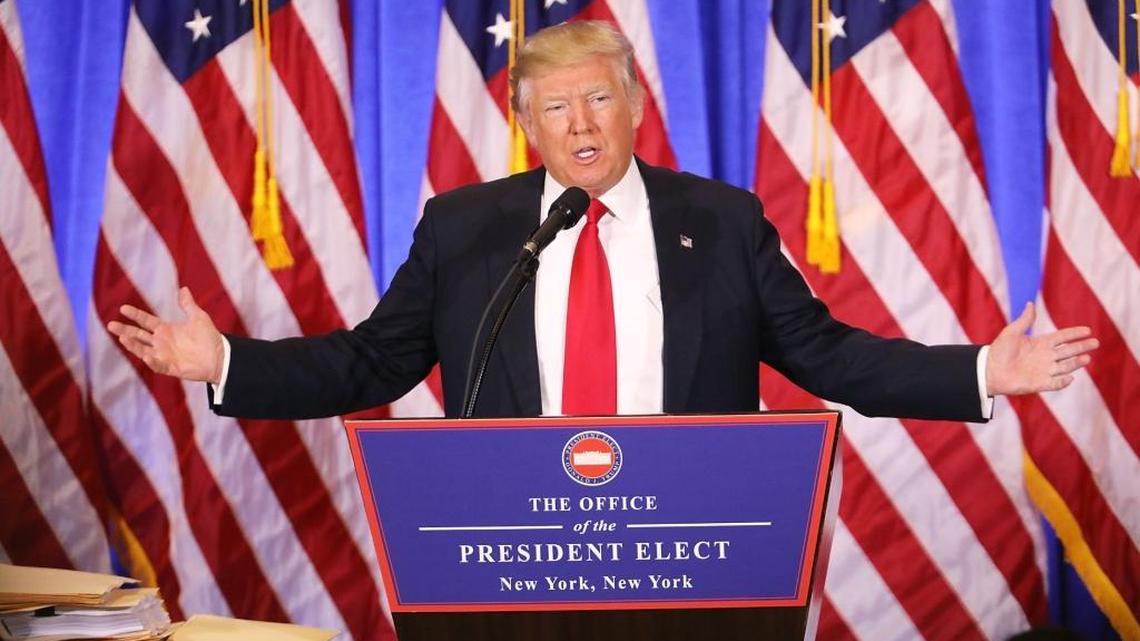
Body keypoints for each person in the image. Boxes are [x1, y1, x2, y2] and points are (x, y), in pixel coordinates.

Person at [107, 21, 1097, 421]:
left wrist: (982, 370)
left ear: (634, 106)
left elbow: (828, 356)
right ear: (524, 121)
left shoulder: (722, 219)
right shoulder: (463, 228)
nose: (579, 124)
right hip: (512, 549)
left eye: (598, 101)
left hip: (689, 545)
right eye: (555, 107)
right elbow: (372, 363)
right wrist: (225, 362)